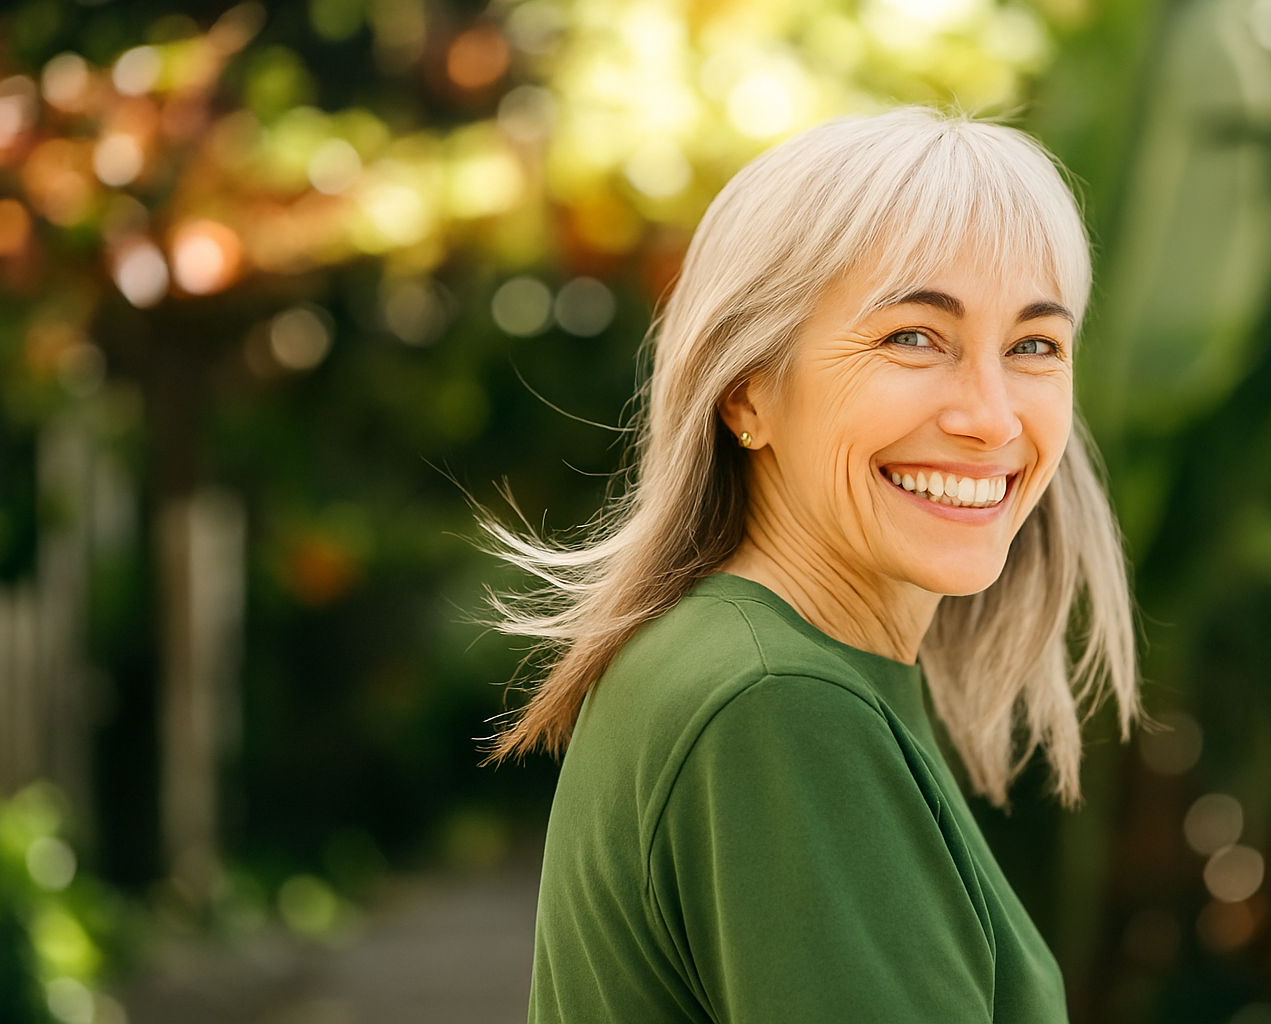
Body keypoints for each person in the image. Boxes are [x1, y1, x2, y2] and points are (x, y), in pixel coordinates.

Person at [484, 106, 1139, 1023]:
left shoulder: (745, 663)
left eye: (1034, 345)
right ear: (748, 389)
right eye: (913, 336)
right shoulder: (779, 705)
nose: (991, 417)